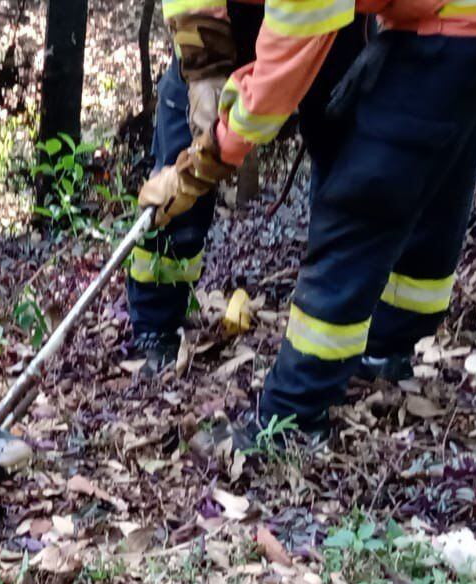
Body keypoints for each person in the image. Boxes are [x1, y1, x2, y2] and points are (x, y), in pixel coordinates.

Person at [139, 0, 476, 448]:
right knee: (424, 159)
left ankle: (293, 417)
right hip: (472, 13)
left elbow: (274, 88)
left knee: (363, 192)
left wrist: (207, 160)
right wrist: (201, 58)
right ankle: (386, 345)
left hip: (462, 20)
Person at [129, 0, 366, 377]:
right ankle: (154, 328)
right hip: (221, 18)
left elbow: (266, 100)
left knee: (349, 171)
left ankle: (335, 341)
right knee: (172, 185)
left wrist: (211, 157)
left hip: (326, 19)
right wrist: (202, 63)